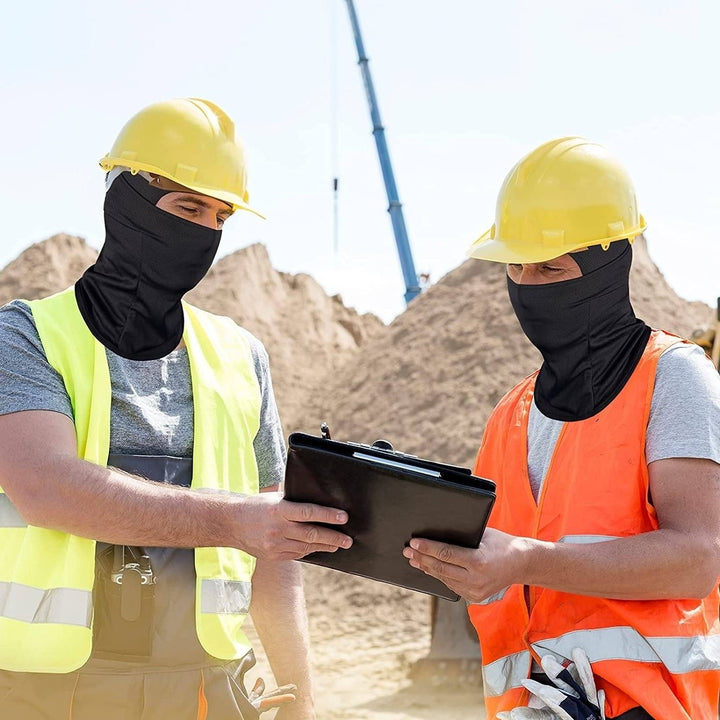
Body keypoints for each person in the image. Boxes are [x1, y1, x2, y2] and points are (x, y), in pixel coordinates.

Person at [0, 97, 353, 719]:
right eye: (188, 207)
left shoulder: (242, 357)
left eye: (220, 216)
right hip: (48, 694)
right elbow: (45, 487)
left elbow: (274, 539)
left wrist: (298, 692)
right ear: (125, 202)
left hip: (205, 692)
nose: (204, 233)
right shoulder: (24, 337)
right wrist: (235, 521)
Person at [403, 137, 720, 720]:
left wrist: (526, 559)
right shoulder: (511, 413)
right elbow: (502, 567)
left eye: (552, 267)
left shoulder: (674, 379)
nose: (529, 285)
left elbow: (700, 557)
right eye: (517, 266)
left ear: (609, 265)